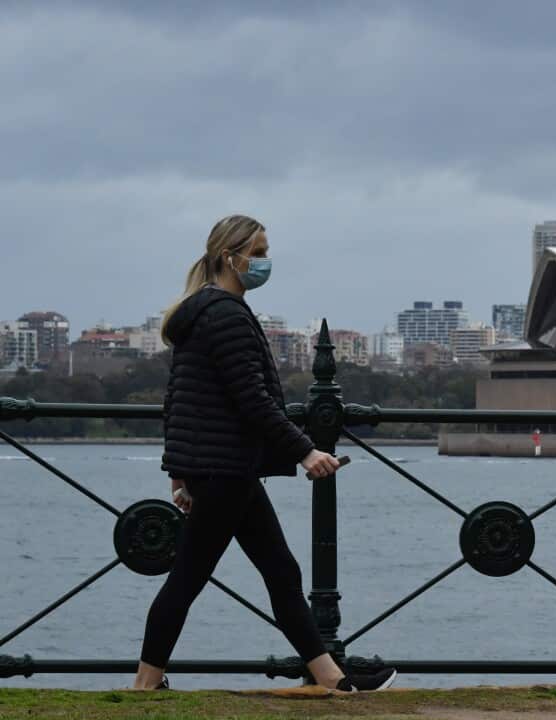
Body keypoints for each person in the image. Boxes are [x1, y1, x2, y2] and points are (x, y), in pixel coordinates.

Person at [132, 215, 396, 693]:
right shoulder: (227, 314)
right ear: (230, 257)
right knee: (189, 579)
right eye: (257, 252)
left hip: (221, 467)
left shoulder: (200, 312)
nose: (264, 262)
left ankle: (330, 678)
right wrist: (306, 452)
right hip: (226, 468)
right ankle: (144, 685)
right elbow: (251, 399)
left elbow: (181, 400)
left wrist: (178, 472)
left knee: (279, 571)